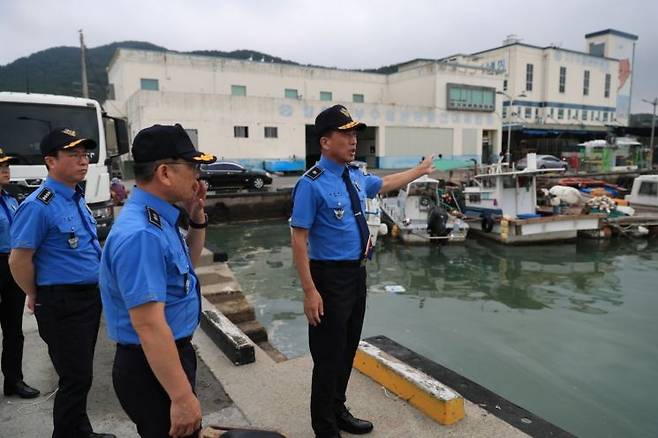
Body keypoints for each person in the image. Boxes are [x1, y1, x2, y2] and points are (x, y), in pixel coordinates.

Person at [290, 105, 435, 438]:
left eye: (355, 134)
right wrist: (310, 291)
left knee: (346, 350)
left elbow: (384, 184)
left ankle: (338, 409)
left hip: (356, 275)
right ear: (326, 142)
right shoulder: (310, 184)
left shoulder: (354, 175)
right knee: (327, 358)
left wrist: (419, 170)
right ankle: (324, 428)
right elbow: (299, 241)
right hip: (328, 279)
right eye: (346, 134)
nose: (354, 140)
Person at [100, 124, 215, 438]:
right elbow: (149, 325)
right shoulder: (141, 234)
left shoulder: (158, 218)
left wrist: (196, 215)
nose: (198, 176)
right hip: (150, 368)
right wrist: (181, 397)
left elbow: (186, 268)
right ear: (165, 173)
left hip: (166, 359)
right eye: (193, 167)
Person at [9, 129, 114, 438]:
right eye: (74, 155)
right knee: (75, 378)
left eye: (85, 155)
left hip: (86, 299)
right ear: (50, 161)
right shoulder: (39, 205)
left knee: (79, 374)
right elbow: (19, 260)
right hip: (62, 303)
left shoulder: (76, 198)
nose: (83, 162)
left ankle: (81, 429)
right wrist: (35, 293)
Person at [0, 148, 40, 400]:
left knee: (14, 330)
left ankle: (14, 381)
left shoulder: (11, 198)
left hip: (10, 265)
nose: (6, 169)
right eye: (1, 166)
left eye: (7, 165)